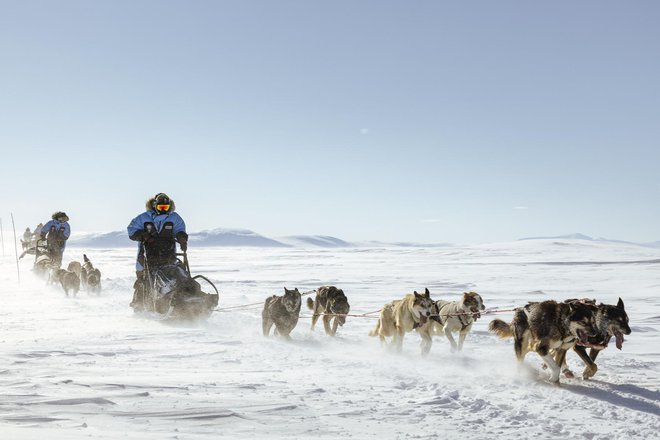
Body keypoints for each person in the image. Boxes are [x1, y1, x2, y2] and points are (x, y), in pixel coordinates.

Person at [127, 193, 188, 309]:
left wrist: (182, 238)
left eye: (166, 208)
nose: (163, 210)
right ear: (155, 206)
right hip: (146, 257)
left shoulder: (174, 218)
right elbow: (131, 230)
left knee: (177, 275)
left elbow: (180, 229)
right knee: (143, 281)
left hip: (169, 256)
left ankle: (182, 299)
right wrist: (143, 235)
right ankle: (139, 306)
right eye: (161, 208)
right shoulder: (143, 218)